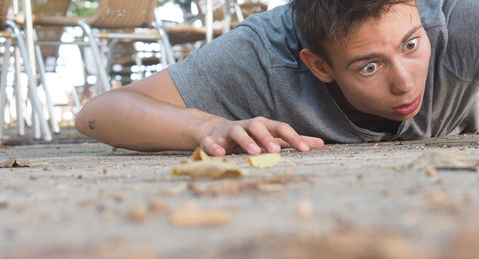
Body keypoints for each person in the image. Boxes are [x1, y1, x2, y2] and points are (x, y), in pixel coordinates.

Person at [75, 0, 479, 155]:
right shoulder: (260, 54)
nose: (406, 83)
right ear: (319, 65)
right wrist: (212, 126)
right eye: (369, 66)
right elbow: (100, 112)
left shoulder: (456, 21)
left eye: (410, 45)